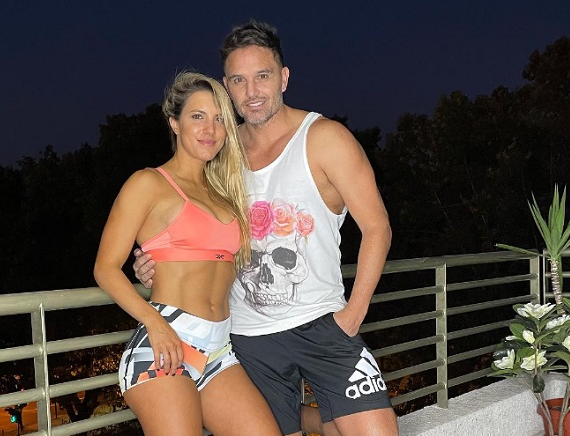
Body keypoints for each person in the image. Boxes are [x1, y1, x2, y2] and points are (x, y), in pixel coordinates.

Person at [135, 21, 399, 436]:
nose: (252, 91)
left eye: (263, 76)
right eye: (239, 80)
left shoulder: (325, 138)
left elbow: (378, 227)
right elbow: (191, 227)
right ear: (227, 86)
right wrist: (157, 262)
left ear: (284, 77)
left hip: (324, 323)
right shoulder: (219, 154)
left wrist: (354, 313)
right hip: (248, 338)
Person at [94, 71, 281, 436]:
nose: (210, 129)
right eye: (198, 116)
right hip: (165, 341)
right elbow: (105, 268)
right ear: (174, 123)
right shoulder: (148, 183)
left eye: (219, 119)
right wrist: (154, 323)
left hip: (218, 350)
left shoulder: (224, 192)